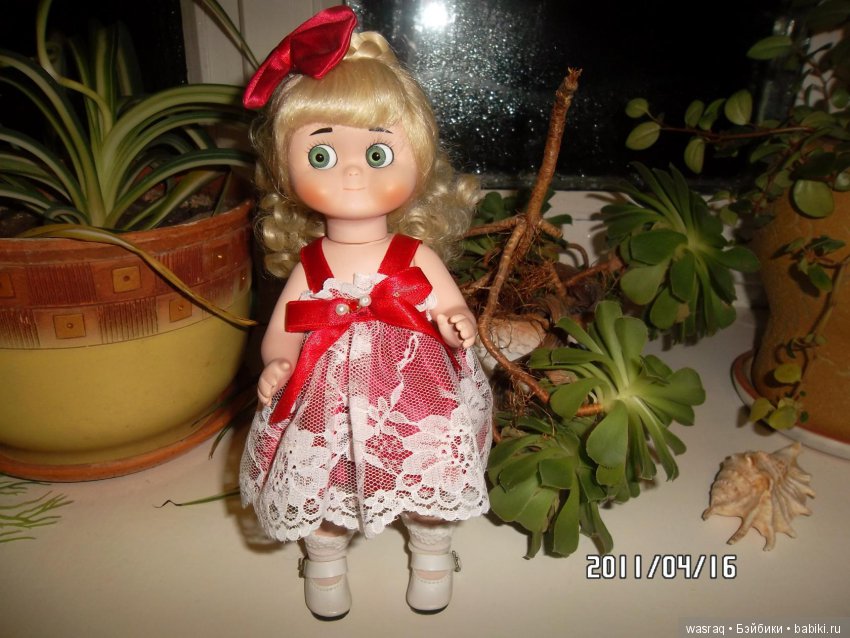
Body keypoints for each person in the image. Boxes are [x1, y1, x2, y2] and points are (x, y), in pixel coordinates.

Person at [239, 6, 492, 620]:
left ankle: (432, 553)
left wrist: (456, 321)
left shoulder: (412, 254)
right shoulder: (313, 263)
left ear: (419, 162)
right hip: (326, 394)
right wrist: (277, 363)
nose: (352, 169)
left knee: (427, 466)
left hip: (412, 386)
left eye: (378, 154)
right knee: (323, 477)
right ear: (285, 168)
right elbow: (284, 328)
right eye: (322, 155)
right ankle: (325, 561)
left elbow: (449, 302)